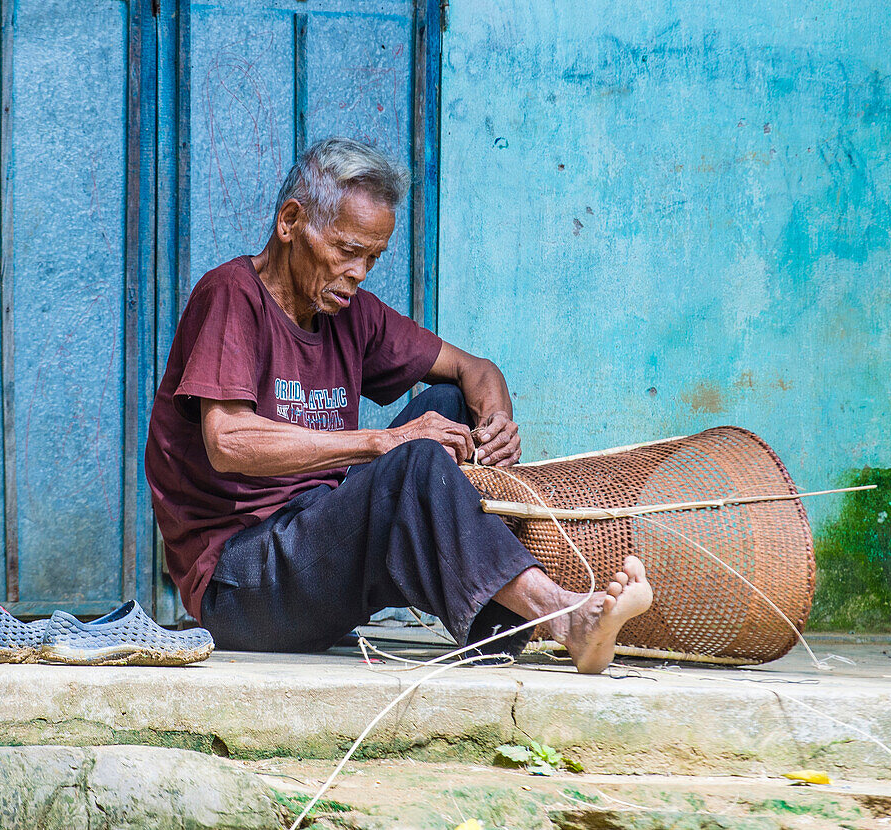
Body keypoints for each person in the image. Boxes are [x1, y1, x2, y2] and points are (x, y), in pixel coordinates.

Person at [144, 137, 652, 674]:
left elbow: (474, 370)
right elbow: (227, 441)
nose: (360, 272)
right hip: (242, 584)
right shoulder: (232, 294)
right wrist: (383, 442)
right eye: (346, 250)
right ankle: (566, 617)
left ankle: (498, 625)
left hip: (318, 550)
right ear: (290, 222)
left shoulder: (350, 312)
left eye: (373, 256)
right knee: (414, 459)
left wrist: (496, 422)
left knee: (451, 406)